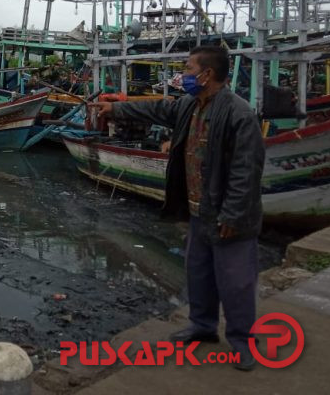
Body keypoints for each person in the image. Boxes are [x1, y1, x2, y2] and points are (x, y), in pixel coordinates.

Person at [89, 45, 265, 371]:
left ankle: (243, 342)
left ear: (206, 74)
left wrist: (234, 215)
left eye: (187, 68)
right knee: (198, 272)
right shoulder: (190, 106)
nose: (183, 75)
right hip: (198, 211)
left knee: (236, 281)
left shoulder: (239, 114)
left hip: (229, 217)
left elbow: (247, 171)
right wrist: (116, 110)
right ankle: (203, 326)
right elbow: (157, 110)